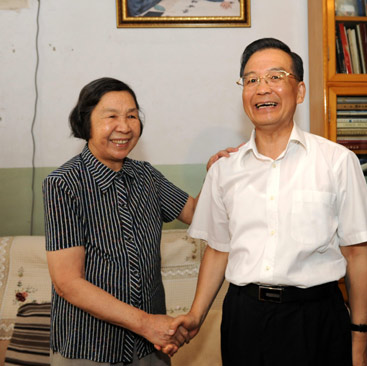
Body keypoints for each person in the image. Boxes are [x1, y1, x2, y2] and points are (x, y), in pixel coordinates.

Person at [167, 38, 367, 366]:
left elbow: (357, 254)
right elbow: (218, 251)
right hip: (245, 318)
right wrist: (195, 315)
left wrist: (359, 337)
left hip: (317, 318)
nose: (262, 88)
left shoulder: (337, 161)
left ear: (300, 91)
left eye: (275, 77)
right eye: (251, 80)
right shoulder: (224, 169)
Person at [42, 77, 233, 366]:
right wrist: (146, 324)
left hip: (149, 350)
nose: (125, 126)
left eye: (132, 115)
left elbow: (198, 215)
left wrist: (215, 174)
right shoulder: (63, 184)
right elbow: (68, 283)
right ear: (86, 123)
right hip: (88, 349)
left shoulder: (147, 176)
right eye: (111, 116)